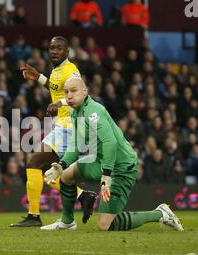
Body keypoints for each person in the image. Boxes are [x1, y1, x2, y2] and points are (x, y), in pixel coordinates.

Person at [41, 77, 184, 232]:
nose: (69, 95)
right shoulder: (76, 112)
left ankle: (160, 213)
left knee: (104, 225)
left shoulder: (93, 112)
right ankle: (67, 222)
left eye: (73, 91)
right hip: (100, 161)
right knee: (66, 176)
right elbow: (76, 145)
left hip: (121, 166)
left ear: (85, 91)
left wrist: (107, 174)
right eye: (66, 92)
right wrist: (61, 166)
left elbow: (110, 143)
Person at [11, 36, 96, 227]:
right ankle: (83, 197)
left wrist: (61, 102)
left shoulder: (71, 70)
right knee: (47, 173)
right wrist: (39, 77)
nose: (54, 52)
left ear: (67, 52)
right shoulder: (57, 70)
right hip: (61, 125)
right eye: (51, 48)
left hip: (70, 126)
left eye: (58, 48)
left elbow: (82, 95)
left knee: (35, 163)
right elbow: (56, 87)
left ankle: (34, 216)